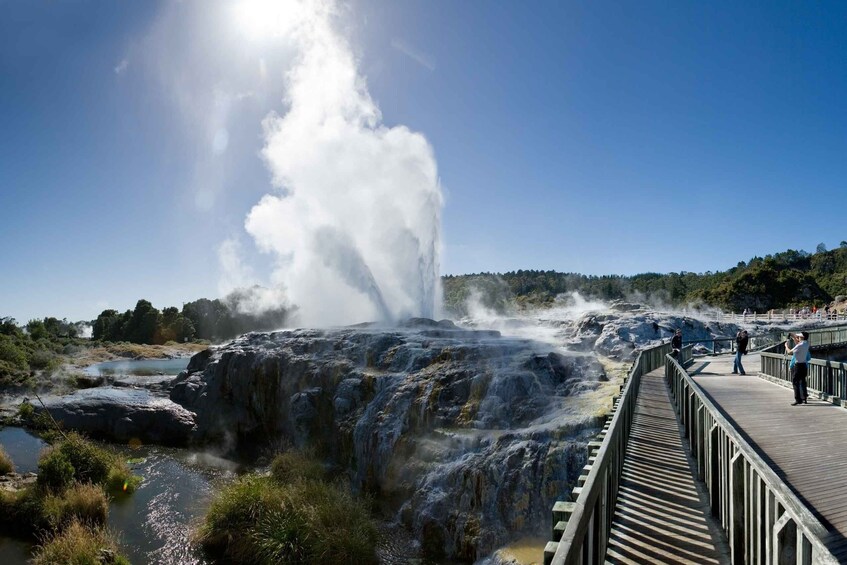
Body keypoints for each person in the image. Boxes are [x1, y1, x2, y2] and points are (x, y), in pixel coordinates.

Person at [786, 331, 811, 405]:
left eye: (799, 337)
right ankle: (804, 397)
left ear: (802, 338)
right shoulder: (806, 344)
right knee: (803, 381)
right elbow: (798, 343)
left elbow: (789, 352)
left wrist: (786, 346)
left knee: (795, 382)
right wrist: (793, 336)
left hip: (798, 366)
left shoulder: (799, 345)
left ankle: (798, 399)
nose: (798, 338)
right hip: (804, 365)